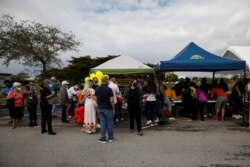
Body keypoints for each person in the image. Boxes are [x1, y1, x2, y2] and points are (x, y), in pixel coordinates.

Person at [94, 75, 115, 143]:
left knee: (102, 123)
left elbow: (95, 98)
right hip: (108, 108)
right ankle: (110, 138)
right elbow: (111, 100)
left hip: (100, 108)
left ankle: (103, 138)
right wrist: (113, 108)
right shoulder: (109, 89)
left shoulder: (97, 88)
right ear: (107, 80)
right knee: (109, 123)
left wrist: (99, 104)